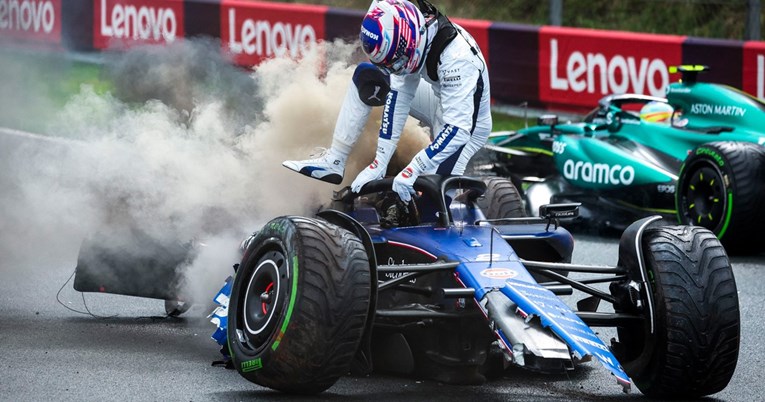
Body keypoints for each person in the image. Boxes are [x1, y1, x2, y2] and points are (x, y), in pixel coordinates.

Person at [282, 0, 492, 203]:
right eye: (388, 64)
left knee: (431, 210)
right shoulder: (411, 38)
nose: (394, 69)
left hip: (466, 127)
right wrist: (378, 163)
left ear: (411, 41)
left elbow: (458, 129)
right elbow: (399, 97)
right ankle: (335, 160)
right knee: (366, 75)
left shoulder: (458, 61)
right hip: (439, 101)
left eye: (397, 62)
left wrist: (414, 168)